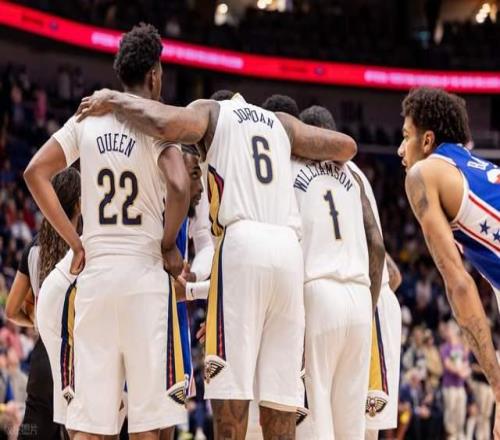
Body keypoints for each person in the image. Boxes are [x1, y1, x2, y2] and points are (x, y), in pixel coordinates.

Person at [76, 84, 357, 438]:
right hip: (288, 253)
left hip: (242, 244)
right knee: (281, 401)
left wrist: (114, 99)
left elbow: (163, 123)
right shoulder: (280, 123)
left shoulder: (214, 112)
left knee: (230, 397)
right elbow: (346, 147)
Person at [24, 24, 190, 439]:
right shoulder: (158, 124)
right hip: (145, 278)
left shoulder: (88, 119)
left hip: (95, 278)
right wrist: (168, 244)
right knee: (149, 426)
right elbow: (179, 185)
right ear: (155, 75)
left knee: (90, 426)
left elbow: (35, 172)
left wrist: (74, 241)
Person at [399, 86, 500, 435]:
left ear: (427, 140)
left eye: (406, 136)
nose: (400, 149)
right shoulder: (478, 169)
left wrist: (498, 385)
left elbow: (459, 284)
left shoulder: (423, 175)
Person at [5, 167, 80, 440]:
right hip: (76, 357)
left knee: (32, 432)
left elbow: (11, 310)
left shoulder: (33, 248)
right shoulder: (84, 249)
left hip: (42, 360)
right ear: (79, 204)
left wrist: (37, 322)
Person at [440, 320, 470, 440]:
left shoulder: (461, 347)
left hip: (460, 386)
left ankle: (459, 434)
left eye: (449, 330)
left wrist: (464, 372)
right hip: (449, 386)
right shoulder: (444, 348)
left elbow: (466, 363)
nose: (447, 332)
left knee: (461, 412)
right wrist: (460, 371)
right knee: (450, 412)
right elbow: (448, 365)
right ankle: (451, 435)